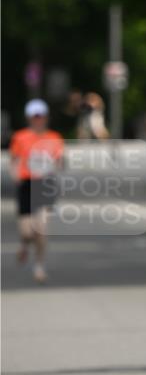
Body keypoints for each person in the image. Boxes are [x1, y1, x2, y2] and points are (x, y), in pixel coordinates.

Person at [9, 99, 64, 283]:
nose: (38, 120)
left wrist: (57, 166)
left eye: (41, 116)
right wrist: (15, 174)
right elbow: (14, 160)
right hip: (26, 185)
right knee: (27, 232)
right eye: (35, 117)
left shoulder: (55, 138)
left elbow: (60, 161)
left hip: (45, 185)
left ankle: (39, 266)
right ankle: (24, 245)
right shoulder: (20, 137)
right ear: (29, 118)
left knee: (41, 229)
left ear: (46, 117)